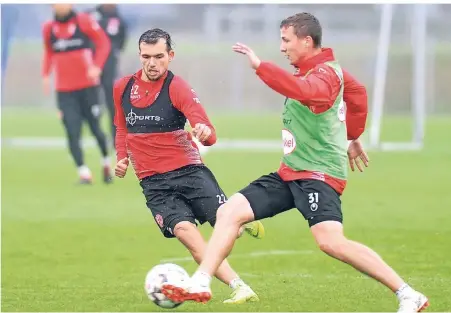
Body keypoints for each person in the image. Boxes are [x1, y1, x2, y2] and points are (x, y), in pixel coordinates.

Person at [160, 12, 430, 313]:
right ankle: (201, 281)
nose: (282, 47)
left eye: (286, 40)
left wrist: (261, 67)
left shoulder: (325, 75)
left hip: (318, 175)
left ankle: (409, 294)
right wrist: (352, 135)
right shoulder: (317, 70)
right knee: (229, 212)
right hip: (291, 172)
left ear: (306, 41)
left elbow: (305, 92)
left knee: (331, 242)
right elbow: (358, 94)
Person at [113, 28, 265, 304]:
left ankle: (242, 222)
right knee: (188, 235)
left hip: (190, 173)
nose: (152, 63)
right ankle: (239, 286)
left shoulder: (177, 87)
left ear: (170, 56)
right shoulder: (122, 87)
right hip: (154, 184)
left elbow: (208, 129)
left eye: (159, 56)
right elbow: (121, 127)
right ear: (139, 56)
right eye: (146, 57)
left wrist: (205, 131)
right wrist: (121, 156)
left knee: (229, 226)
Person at [42, 4, 112, 184]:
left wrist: (97, 66)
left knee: (95, 128)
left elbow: (104, 43)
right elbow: (49, 53)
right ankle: (84, 173)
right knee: (72, 130)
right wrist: (45, 75)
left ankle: (105, 162)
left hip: (88, 88)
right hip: (64, 91)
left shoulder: (84, 21)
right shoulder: (49, 28)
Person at [87, 4, 128, 146]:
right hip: (92, 63)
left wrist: (114, 53)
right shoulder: (91, 15)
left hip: (110, 65)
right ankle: (96, 135)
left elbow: (122, 40)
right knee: (91, 101)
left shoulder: (118, 18)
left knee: (114, 102)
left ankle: (115, 137)